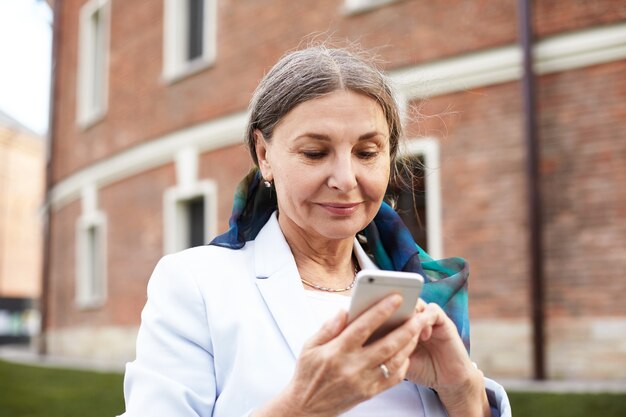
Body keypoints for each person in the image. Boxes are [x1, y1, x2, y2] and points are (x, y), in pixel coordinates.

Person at [120, 45, 511, 417]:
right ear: (264, 154)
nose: (345, 179)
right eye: (315, 153)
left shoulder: (422, 291)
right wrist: (302, 406)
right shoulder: (197, 285)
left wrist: (464, 390)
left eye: (367, 153)